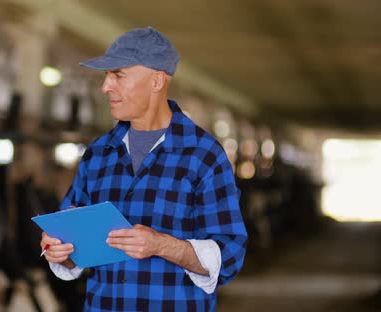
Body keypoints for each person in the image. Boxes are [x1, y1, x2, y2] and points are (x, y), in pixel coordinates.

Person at [40, 26, 247, 311]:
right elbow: (71, 245)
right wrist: (59, 249)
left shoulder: (203, 155)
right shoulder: (99, 153)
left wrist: (162, 245)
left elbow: (231, 255)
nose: (105, 87)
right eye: (106, 76)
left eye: (118, 75)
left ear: (157, 80)